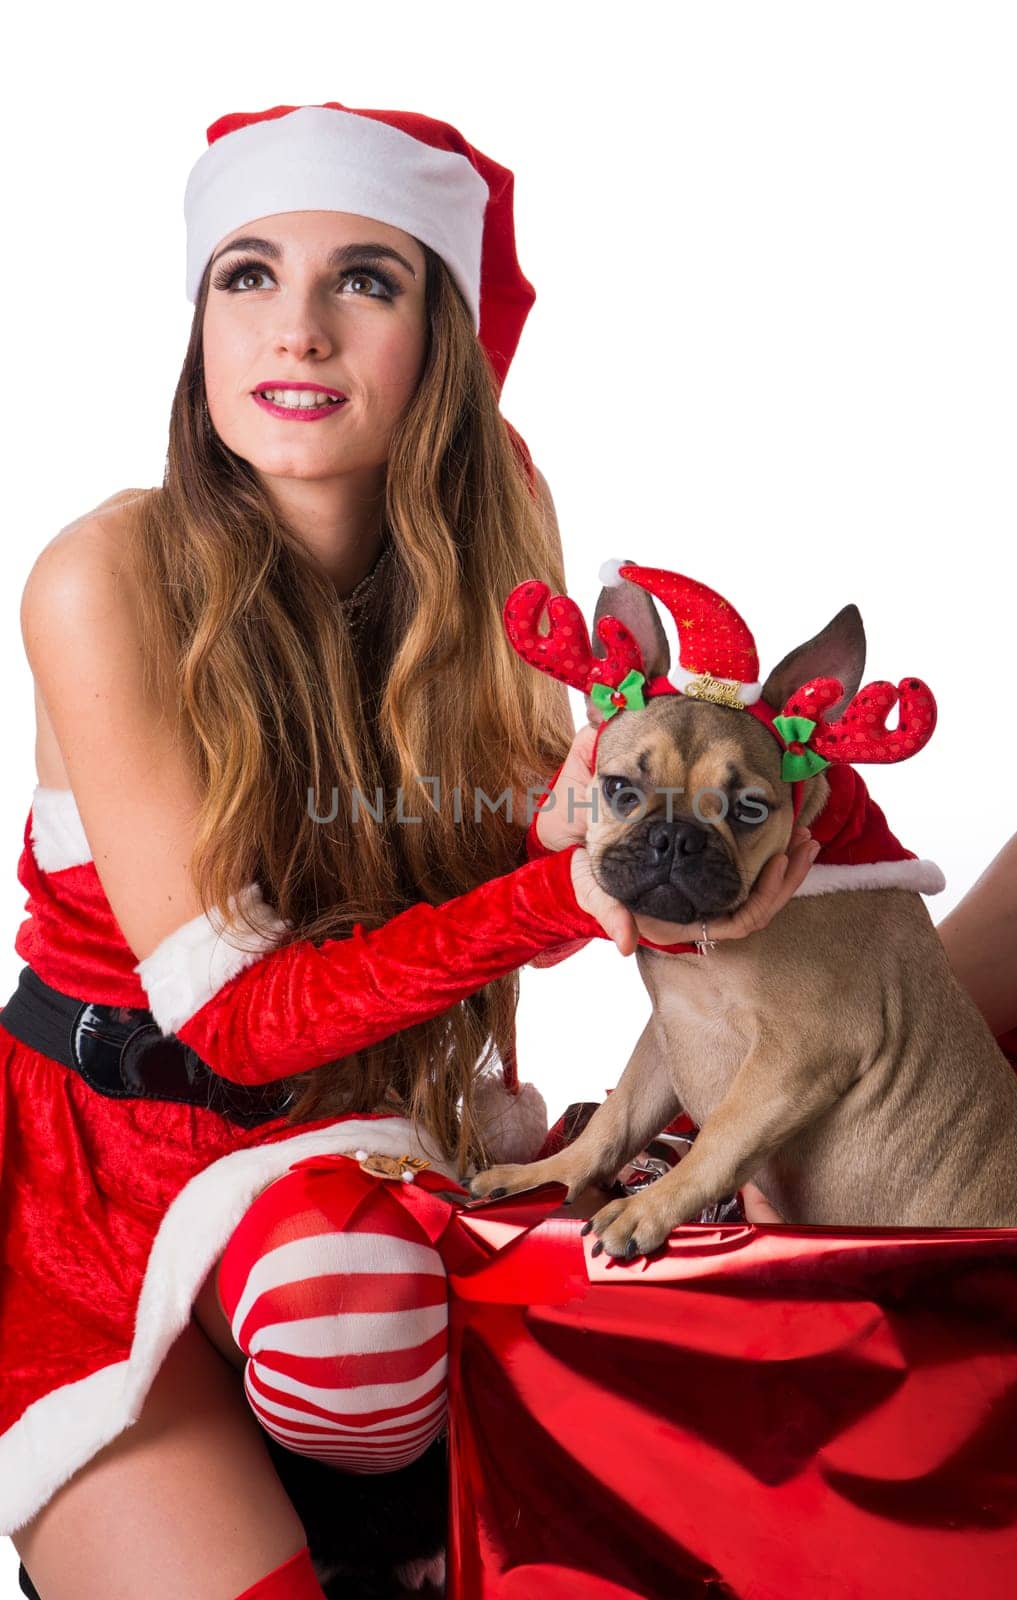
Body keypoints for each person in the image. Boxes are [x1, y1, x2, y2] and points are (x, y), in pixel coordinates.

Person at [0, 101, 818, 1600]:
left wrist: (672, 825)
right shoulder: (99, 572)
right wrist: (553, 884)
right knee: (341, 1321)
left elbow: (514, 847)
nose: (294, 329)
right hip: (89, 1193)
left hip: (343, 1143)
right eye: (247, 275)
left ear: (439, 339)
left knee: (379, 1334)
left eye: (363, 279)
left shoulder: (485, 535)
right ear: (199, 326)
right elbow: (238, 1018)